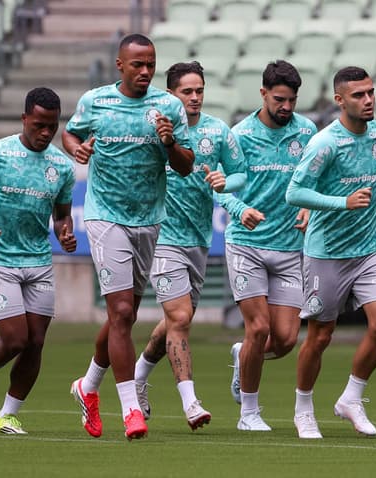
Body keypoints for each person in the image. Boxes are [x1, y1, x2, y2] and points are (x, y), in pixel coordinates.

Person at [64, 33, 194, 441]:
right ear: (120, 65)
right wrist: (75, 149)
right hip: (106, 217)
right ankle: (130, 410)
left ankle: (86, 386)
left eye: (150, 64)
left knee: (126, 315)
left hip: (149, 219)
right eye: (137, 64)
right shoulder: (95, 101)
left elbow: (187, 166)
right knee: (121, 313)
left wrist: (170, 142)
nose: (145, 71)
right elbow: (69, 132)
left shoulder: (168, 107)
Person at [131, 61, 246, 429]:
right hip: (161, 237)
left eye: (199, 91)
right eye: (187, 92)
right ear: (171, 95)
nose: (195, 98)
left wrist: (225, 182)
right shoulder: (151, 130)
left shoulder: (218, 130)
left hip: (198, 240)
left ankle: (137, 377)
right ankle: (191, 402)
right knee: (180, 319)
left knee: (173, 322)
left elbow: (240, 171)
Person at [0, 87, 76, 435]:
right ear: (24, 119)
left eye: (51, 126)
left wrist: (64, 232)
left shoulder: (61, 167)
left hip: (38, 260)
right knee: (15, 340)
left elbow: (61, 215)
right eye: (38, 124)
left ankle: (8, 414)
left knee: (36, 341)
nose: (45, 133)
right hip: (0, 259)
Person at [286, 66, 376, 439]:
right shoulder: (324, 144)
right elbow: (295, 193)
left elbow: (367, 181)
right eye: (358, 95)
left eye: (370, 93)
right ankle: (303, 410)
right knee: (320, 336)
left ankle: (352, 397)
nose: (368, 101)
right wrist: (343, 202)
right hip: (326, 253)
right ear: (339, 100)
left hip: (368, 249)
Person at [217, 60, 316, 431]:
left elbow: (315, 178)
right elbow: (222, 187)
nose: (286, 107)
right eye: (279, 99)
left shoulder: (306, 131)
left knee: (287, 339)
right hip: (247, 245)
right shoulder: (239, 135)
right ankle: (249, 414)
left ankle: (244, 357)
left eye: (291, 100)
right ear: (262, 93)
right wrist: (240, 210)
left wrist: (307, 206)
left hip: (290, 249)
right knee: (258, 329)